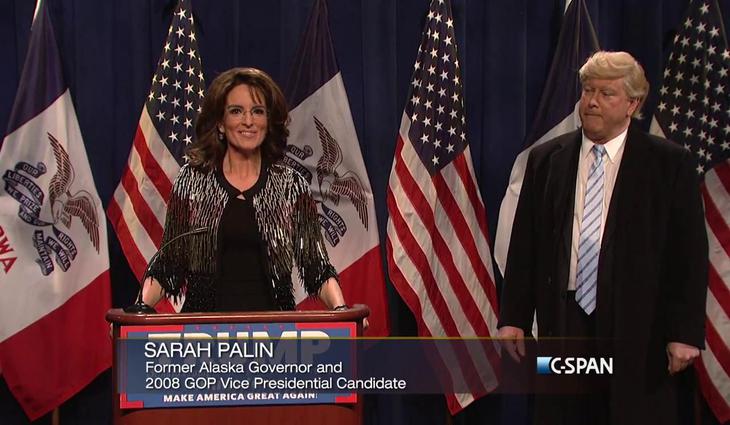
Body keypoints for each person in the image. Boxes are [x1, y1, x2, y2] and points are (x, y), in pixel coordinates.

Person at [497, 51, 708, 425]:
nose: (592, 101)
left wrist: (685, 333)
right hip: (563, 322)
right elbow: (525, 246)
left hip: (639, 327)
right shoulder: (546, 159)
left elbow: (688, 255)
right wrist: (513, 317)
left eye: (606, 93)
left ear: (632, 104)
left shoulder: (668, 164)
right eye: (588, 91)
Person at [141, 67, 349, 314]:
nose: (248, 121)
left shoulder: (291, 185)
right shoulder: (192, 180)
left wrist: (342, 309)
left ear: (268, 121)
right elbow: (169, 264)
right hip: (202, 331)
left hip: (274, 331)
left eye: (257, 111)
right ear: (220, 123)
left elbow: (316, 266)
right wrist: (139, 310)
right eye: (236, 111)